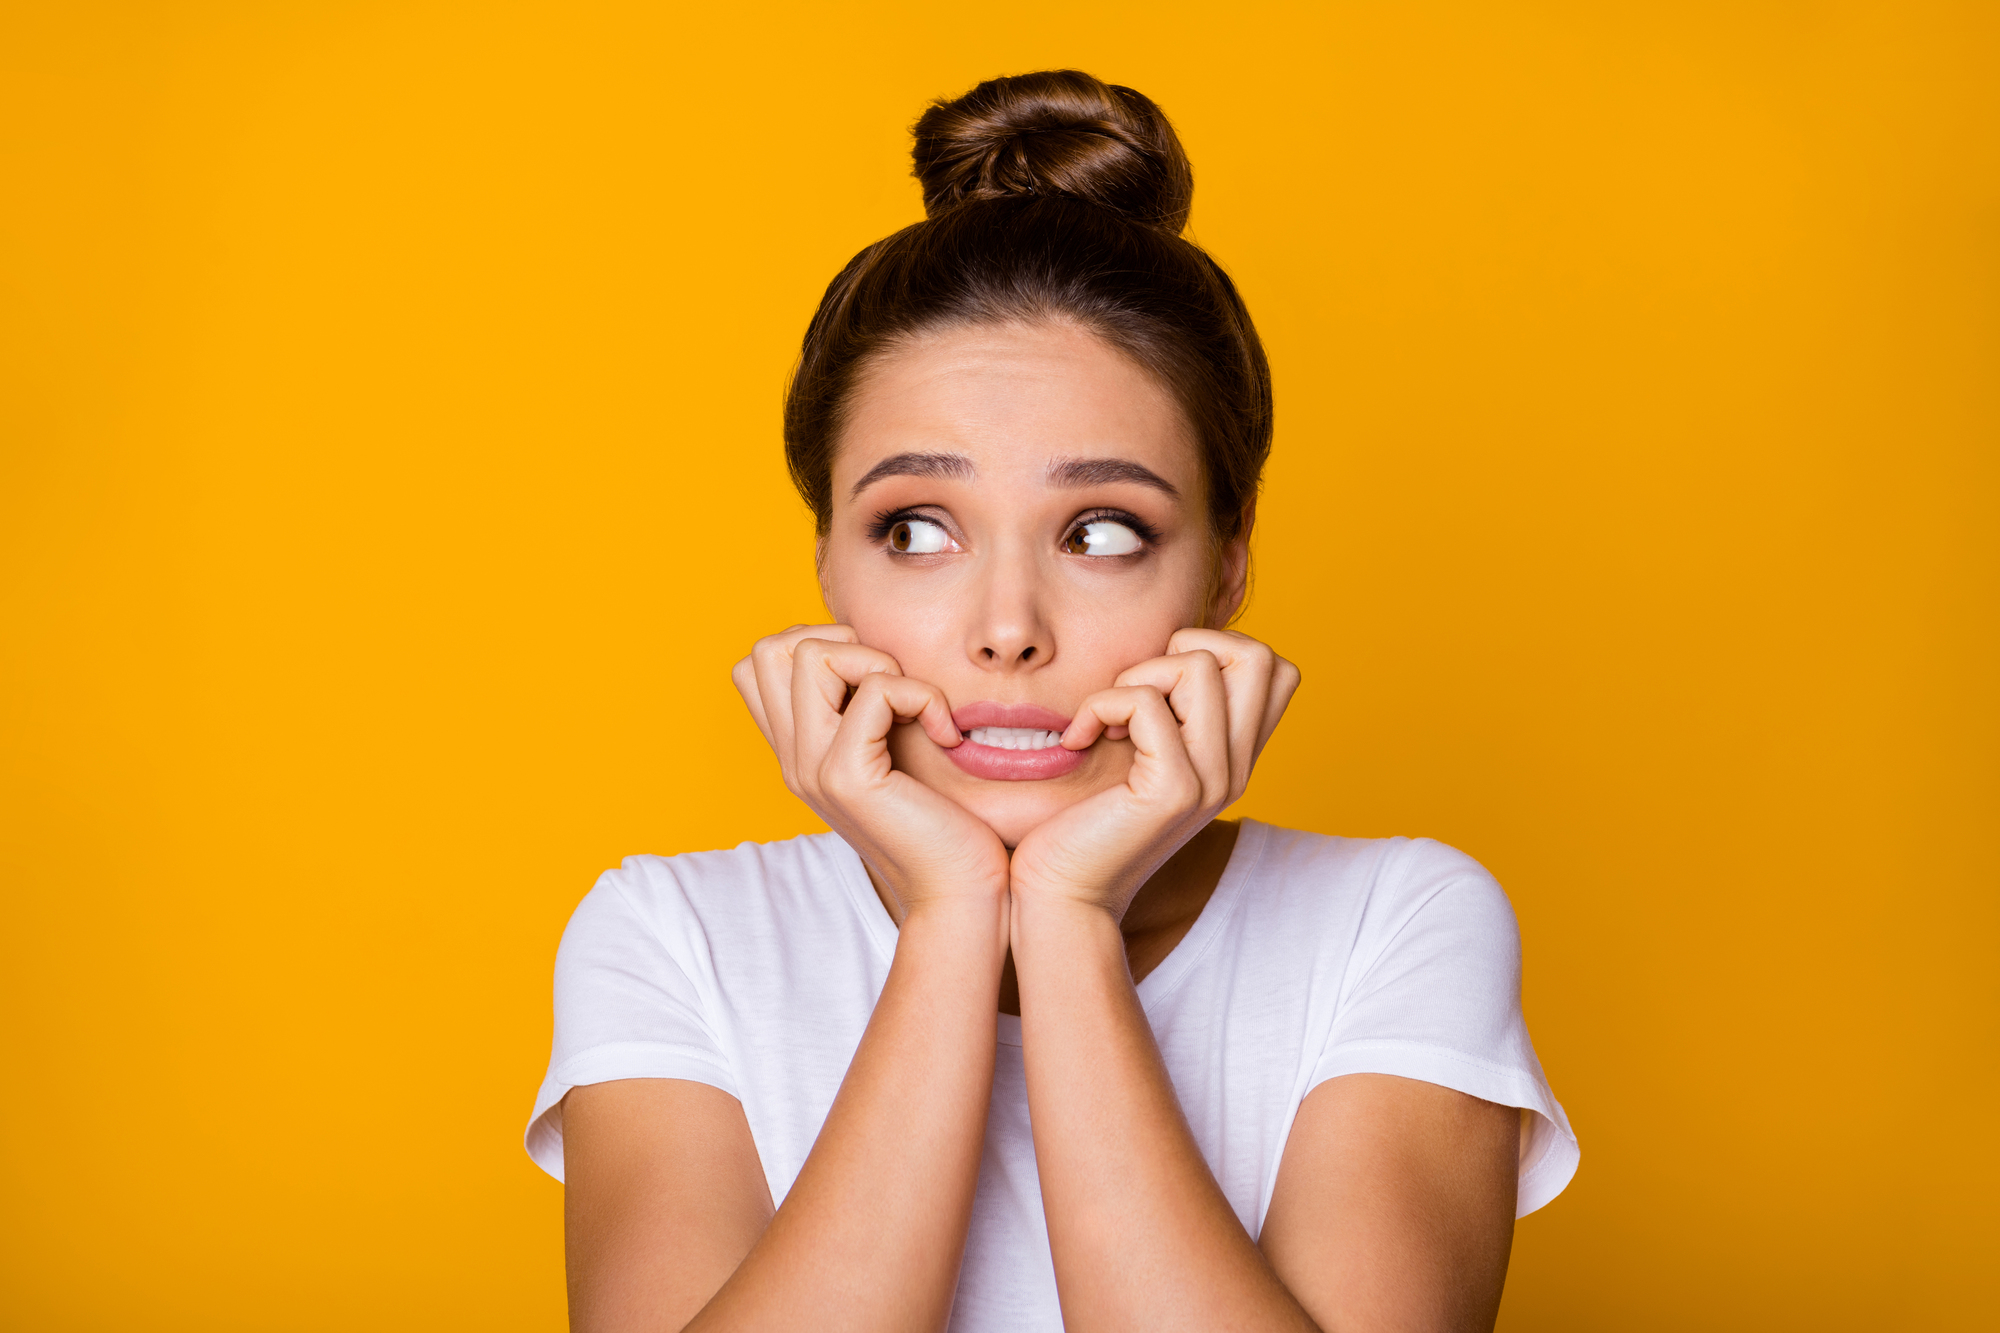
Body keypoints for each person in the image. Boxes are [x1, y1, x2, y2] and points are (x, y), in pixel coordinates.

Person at [525, 69, 1578, 1333]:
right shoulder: (670, 935)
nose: (1007, 629)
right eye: (916, 529)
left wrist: (1071, 919)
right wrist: (953, 915)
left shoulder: (1393, 926)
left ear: (1227, 562)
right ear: (824, 563)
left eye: (1100, 530)